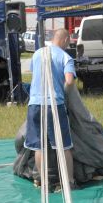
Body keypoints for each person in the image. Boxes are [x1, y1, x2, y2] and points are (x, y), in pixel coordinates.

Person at [25, 28, 76, 190]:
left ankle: (44, 182)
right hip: (54, 104)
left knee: (38, 146)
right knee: (63, 145)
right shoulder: (65, 57)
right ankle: (68, 181)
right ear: (66, 40)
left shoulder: (37, 53)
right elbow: (69, 81)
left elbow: (34, 73)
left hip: (34, 104)